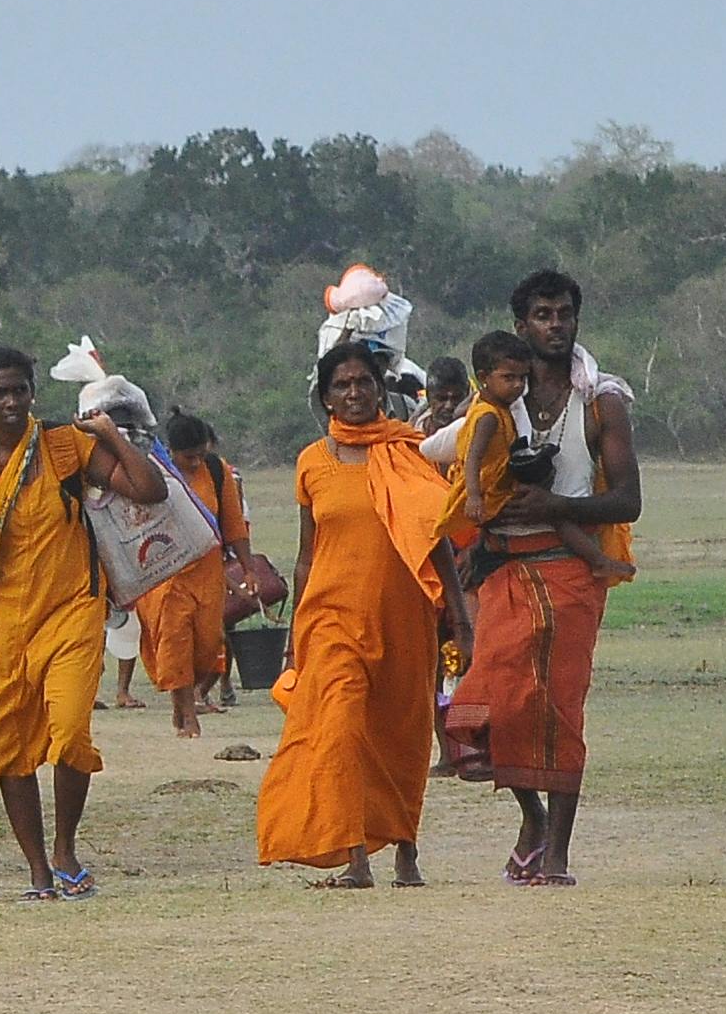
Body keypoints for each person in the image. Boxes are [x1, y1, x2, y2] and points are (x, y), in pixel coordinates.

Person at [0, 346, 171, 897]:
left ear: (33, 393)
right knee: (8, 745)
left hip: (69, 612)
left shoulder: (64, 446)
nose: (12, 401)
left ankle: (66, 847)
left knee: (69, 730)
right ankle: (39, 870)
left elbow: (150, 489)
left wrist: (110, 435)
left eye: (20, 389)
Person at [430, 321, 638, 883]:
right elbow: (432, 454)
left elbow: (628, 501)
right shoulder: (487, 411)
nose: (556, 324)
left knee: (560, 709)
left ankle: (557, 855)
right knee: (492, 703)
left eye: (565, 312)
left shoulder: (600, 400)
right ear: (522, 325)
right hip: (502, 569)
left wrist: (553, 507)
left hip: (568, 576)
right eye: (542, 313)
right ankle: (533, 818)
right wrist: (472, 525)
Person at [255, 337, 459, 888]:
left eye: (363, 382)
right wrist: (295, 632)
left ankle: (405, 848)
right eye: (341, 385)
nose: (353, 393)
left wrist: (458, 613)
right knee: (339, 727)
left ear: (380, 390)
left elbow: (435, 537)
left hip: (404, 612)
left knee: (401, 731)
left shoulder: (411, 451)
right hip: (330, 617)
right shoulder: (311, 463)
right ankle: (355, 856)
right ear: (325, 398)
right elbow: (305, 554)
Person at [136, 413, 250, 735]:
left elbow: (233, 523)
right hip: (165, 574)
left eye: (202, 454)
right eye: (189, 457)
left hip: (208, 573)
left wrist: (248, 568)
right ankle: (186, 711)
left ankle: (186, 698)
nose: (197, 462)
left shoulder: (217, 471)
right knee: (175, 641)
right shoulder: (153, 471)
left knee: (209, 642)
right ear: (171, 451)